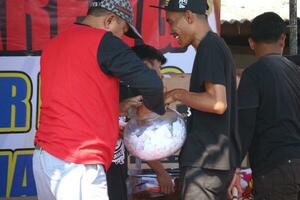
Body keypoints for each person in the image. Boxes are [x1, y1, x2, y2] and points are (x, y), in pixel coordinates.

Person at [32, 0, 166, 199]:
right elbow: (152, 84)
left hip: (45, 158)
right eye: (122, 30)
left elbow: (78, 100)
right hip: (77, 163)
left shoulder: (55, 43)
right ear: (110, 20)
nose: (122, 38)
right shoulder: (103, 41)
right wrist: (149, 110)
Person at [151, 0, 239, 199]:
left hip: (205, 164)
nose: (171, 30)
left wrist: (176, 94)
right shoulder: (213, 46)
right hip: (212, 164)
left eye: (172, 22)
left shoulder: (210, 46)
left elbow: (218, 103)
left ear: (189, 16)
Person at [235, 12, 300, 200]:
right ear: (283, 38)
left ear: (251, 42)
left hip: (275, 170)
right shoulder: (295, 71)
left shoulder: (253, 74)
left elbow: (244, 125)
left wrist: (234, 166)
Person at [106, 44, 175, 200]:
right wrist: (161, 173)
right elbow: (141, 141)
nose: (161, 75)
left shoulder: (137, 94)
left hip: (117, 171)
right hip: (99, 171)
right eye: (158, 68)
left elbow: (140, 139)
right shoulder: (114, 89)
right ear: (144, 66)